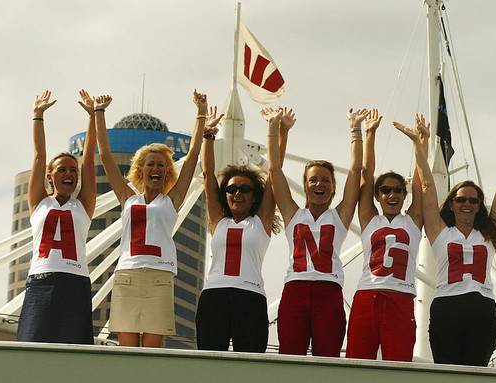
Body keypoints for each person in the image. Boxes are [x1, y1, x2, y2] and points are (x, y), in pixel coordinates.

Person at [396, 119, 496, 366]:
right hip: (447, 307)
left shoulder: (488, 235)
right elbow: (427, 186)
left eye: (473, 200)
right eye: (461, 200)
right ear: (451, 203)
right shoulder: (440, 232)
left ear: (480, 205)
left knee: (475, 373)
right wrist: (418, 144)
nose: (467, 204)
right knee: (447, 372)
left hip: (482, 309)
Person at [94, 90, 206, 347]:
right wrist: (99, 113)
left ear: (167, 172)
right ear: (140, 170)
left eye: (161, 165)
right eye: (150, 164)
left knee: (154, 350)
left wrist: (200, 115)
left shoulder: (171, 200)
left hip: (159, 276)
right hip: (127, 276)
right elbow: (106, 157)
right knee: (127, 349)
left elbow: (192, 159)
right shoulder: (128, 198)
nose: (155, 168)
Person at [267, 107, 366, 357]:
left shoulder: (339, 216)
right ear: (305, 185)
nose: (319, 184)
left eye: (325, 180)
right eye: (313, 180)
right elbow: (275, 171)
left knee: (327, 357)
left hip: (329, 292)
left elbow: (356, 172)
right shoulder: (293, 214)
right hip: (295, 291)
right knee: (290, 355)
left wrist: (356, 129)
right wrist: (274, 129)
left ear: (333, 188)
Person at [195, 107, 294, 352]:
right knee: (209, 362)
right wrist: (207, 136)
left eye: (244, 190)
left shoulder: (260, 221)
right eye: (231, 189)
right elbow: (208, 176)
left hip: (250, 297)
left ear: (254, 197)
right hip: (214, 296)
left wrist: (280, 132)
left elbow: (274, 173)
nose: (237, 193)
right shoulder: (219, 219)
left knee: (250, 365)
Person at [345, 112, 429, 361]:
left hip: (401, 297)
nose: (392, 195)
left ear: (404, 194)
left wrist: (419, 142)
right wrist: (369, 135)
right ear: (377, 195)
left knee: (399, 360)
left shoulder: (412, 221)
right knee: (359, 360)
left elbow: (421, 184)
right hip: (367, 295)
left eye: (398, 190)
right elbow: (365, 176)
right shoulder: (370, 218)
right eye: (385, 190)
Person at [17, 90, 97, 344]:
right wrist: (38, 116)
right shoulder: (40, 202)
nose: (69, 173)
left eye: (73, 170)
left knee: (75, 349)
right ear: (50, 177)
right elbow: (39, 157)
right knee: (32, 343)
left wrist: (93, 116)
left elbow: (89, 161)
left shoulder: (82, 205)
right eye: (61, 169)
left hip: (76, 282)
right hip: (41, 280)